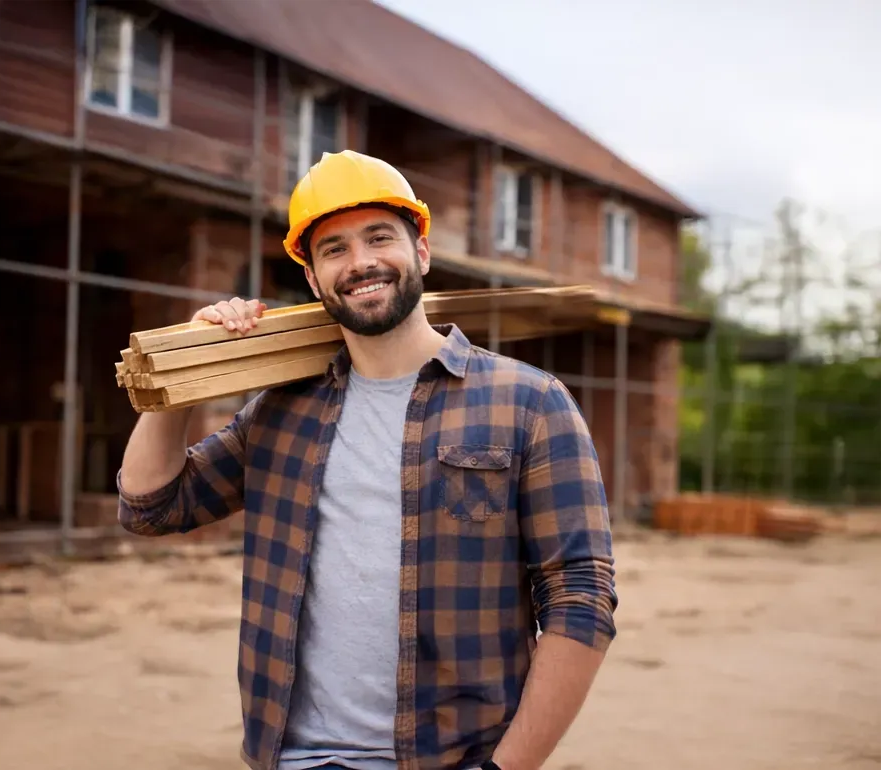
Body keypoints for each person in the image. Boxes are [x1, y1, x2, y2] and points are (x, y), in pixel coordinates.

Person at [117, 150, 618, 770]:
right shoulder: (281, 412)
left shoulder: (529, 403)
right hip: (292, 758)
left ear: (422, 253)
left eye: (380, 237)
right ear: (313, 279)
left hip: (454, 759)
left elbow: (580, 596)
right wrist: (187, 368)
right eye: (333, 249)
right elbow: (150, 507)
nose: (361, 263)